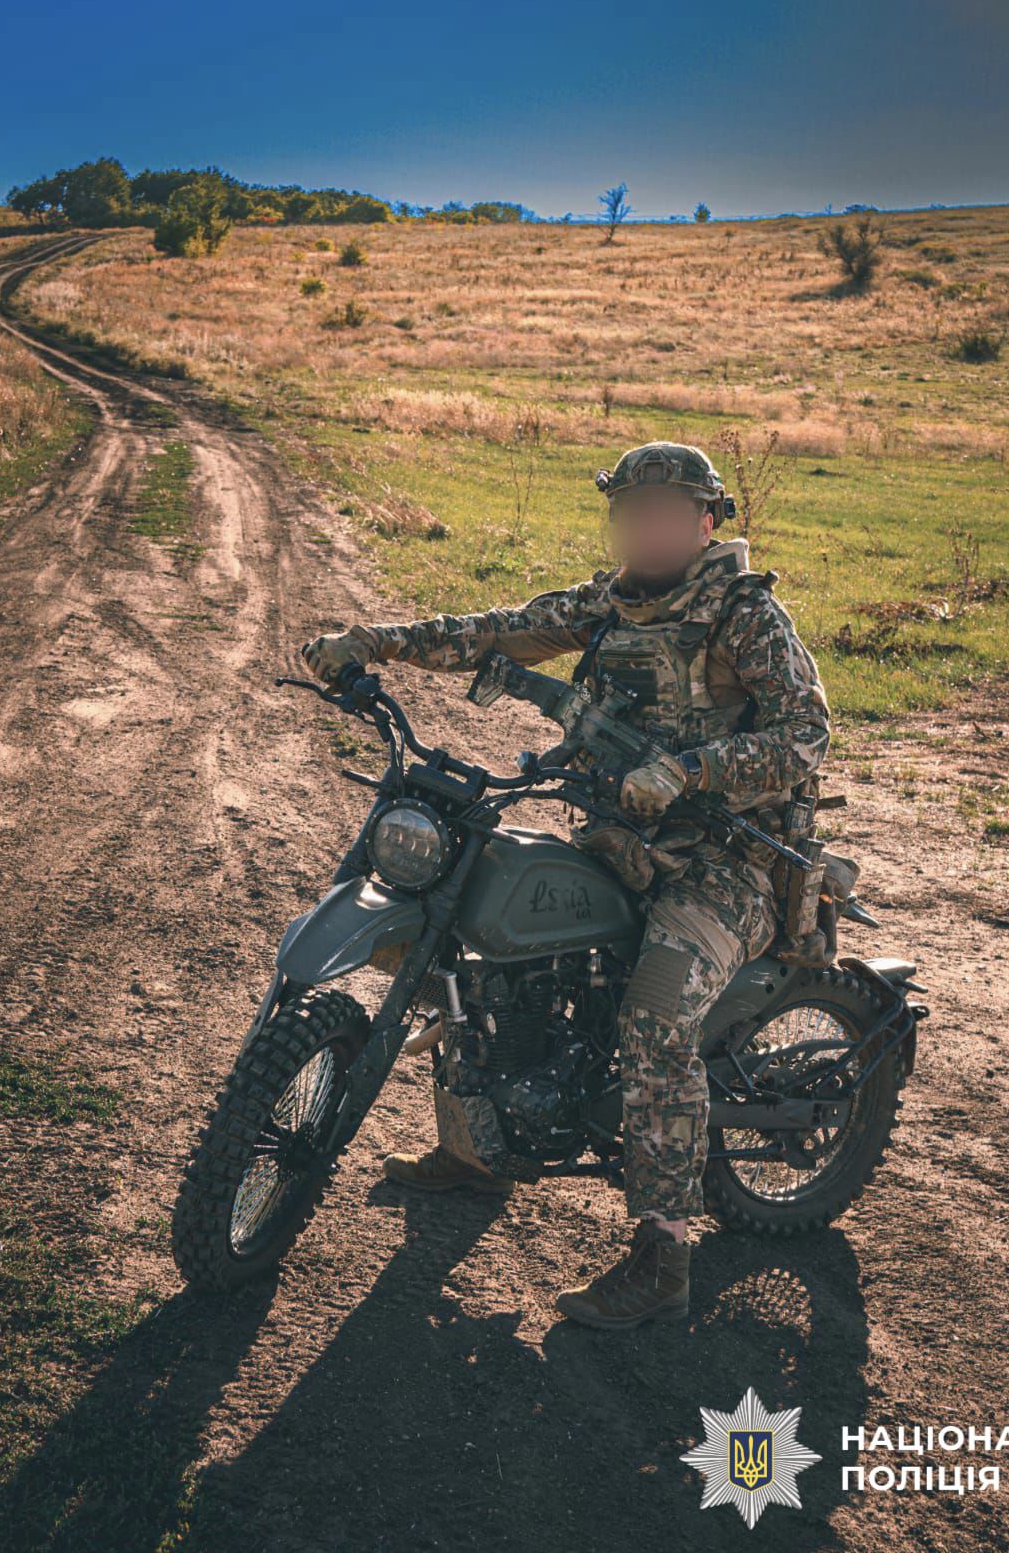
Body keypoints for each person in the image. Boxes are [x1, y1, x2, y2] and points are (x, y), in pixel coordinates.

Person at [302, 441, 830, 1329]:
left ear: (704, 523)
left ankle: (663, 1254)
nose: (645, 528)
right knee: (482, 937)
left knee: (653, 1016)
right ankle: (475, 1150)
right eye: (631, 512)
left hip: (728, 861)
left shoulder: (745, 615)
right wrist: (373, 642)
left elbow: (806, 734)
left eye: (666, 513)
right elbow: (494, 630)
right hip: (619, 839)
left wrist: (691, 769)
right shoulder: (608, 602)